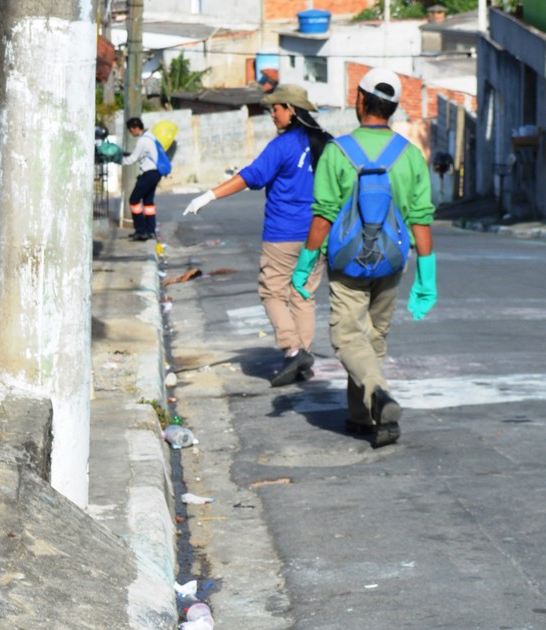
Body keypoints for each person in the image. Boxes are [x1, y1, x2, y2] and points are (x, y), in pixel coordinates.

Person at [290, 67, 437, 448]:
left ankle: (379, 395)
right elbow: (420, 218)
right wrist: (427, 274)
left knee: (346, 336)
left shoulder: (338, 153)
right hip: (391, 262)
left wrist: (306, 263)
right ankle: (362, 417)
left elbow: (322, 216)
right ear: (393, 108)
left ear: (359, 100)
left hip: (347, 262)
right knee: (372, 337)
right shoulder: (409, 156)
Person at [182, 83, 334, 386]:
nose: (271, 115)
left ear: (290, 110)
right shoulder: (327, 144)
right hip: (318, 234)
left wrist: (208, 196)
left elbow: (249, 176)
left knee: (272, 292)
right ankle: (303, 356)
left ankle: (292, 350)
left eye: (275, 109)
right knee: (302, 293)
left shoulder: (283, 146)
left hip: (282, 235)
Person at [122, 117, 168, 241]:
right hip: (156, 173)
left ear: (135, 128)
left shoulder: (142, 141)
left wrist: (118, 160)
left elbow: (132, 159)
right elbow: (143, 155)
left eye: (131, 130)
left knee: (134, 200)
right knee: (148, 202)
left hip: (149, 173)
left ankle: (141, 230)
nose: (131, 133)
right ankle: (150, 231)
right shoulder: (150, 136)